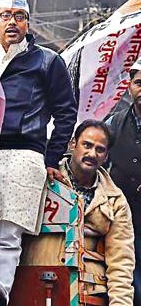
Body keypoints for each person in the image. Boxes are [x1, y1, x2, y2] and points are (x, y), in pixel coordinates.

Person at [0, 0, 78, 297]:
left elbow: (66, 112)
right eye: (5, 16)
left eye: (19, 17)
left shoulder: (47, 61)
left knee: (6, 239)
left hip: (24, 155)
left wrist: (51, 158)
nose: (12, 22)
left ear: (29, 24)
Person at [22, 120, 135, 305]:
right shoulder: (42, 178)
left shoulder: (114, 200)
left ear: (106, 155)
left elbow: (121, 263)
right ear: (73, 144)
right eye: (87, 145)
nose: (92, 154)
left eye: (100, 149)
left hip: (87, 294)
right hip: (33, 286)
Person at [105, 57, 141, 303]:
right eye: (139, 83)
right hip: (124, 216)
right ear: (130, 86)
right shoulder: (114, 123)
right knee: (127, 274)